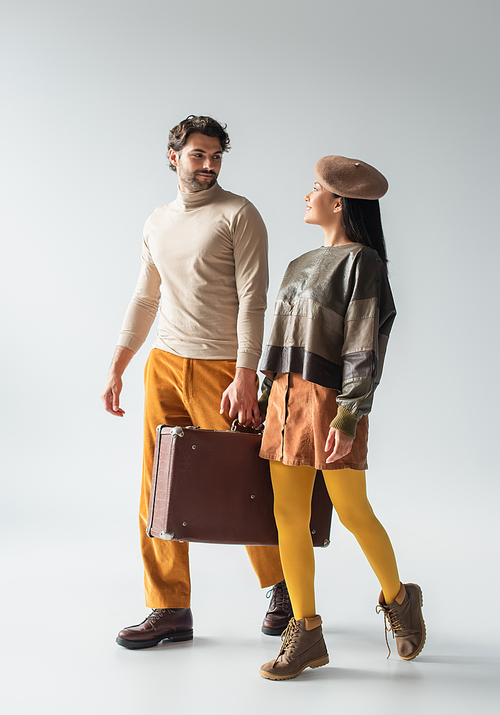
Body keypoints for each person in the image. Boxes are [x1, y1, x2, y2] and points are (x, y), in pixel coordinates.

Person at [101, 115, 291, 649]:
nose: (208, 166)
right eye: (198, 155)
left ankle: (285, 589)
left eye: (216, 157)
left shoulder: (239, 214)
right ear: (173, 155)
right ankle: (168, 608)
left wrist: (245, 374)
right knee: (157, 486)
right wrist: (118, 364)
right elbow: (145, 297)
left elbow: (255, 301)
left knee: (245, 481)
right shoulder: (158, 221)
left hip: (223, 369)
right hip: (163, 363)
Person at [257, 155, 426, 680]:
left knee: (352, 509)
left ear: (339, 202)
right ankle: (305, 632)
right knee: (287, 516)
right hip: (284, 399)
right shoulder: (297, 263)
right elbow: (280, 338)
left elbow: (362, 346)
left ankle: (400, 600)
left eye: (315, 190)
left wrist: (349, 416)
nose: (306, 197)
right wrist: (264, 395)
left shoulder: (364, 263)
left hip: (331, 400)